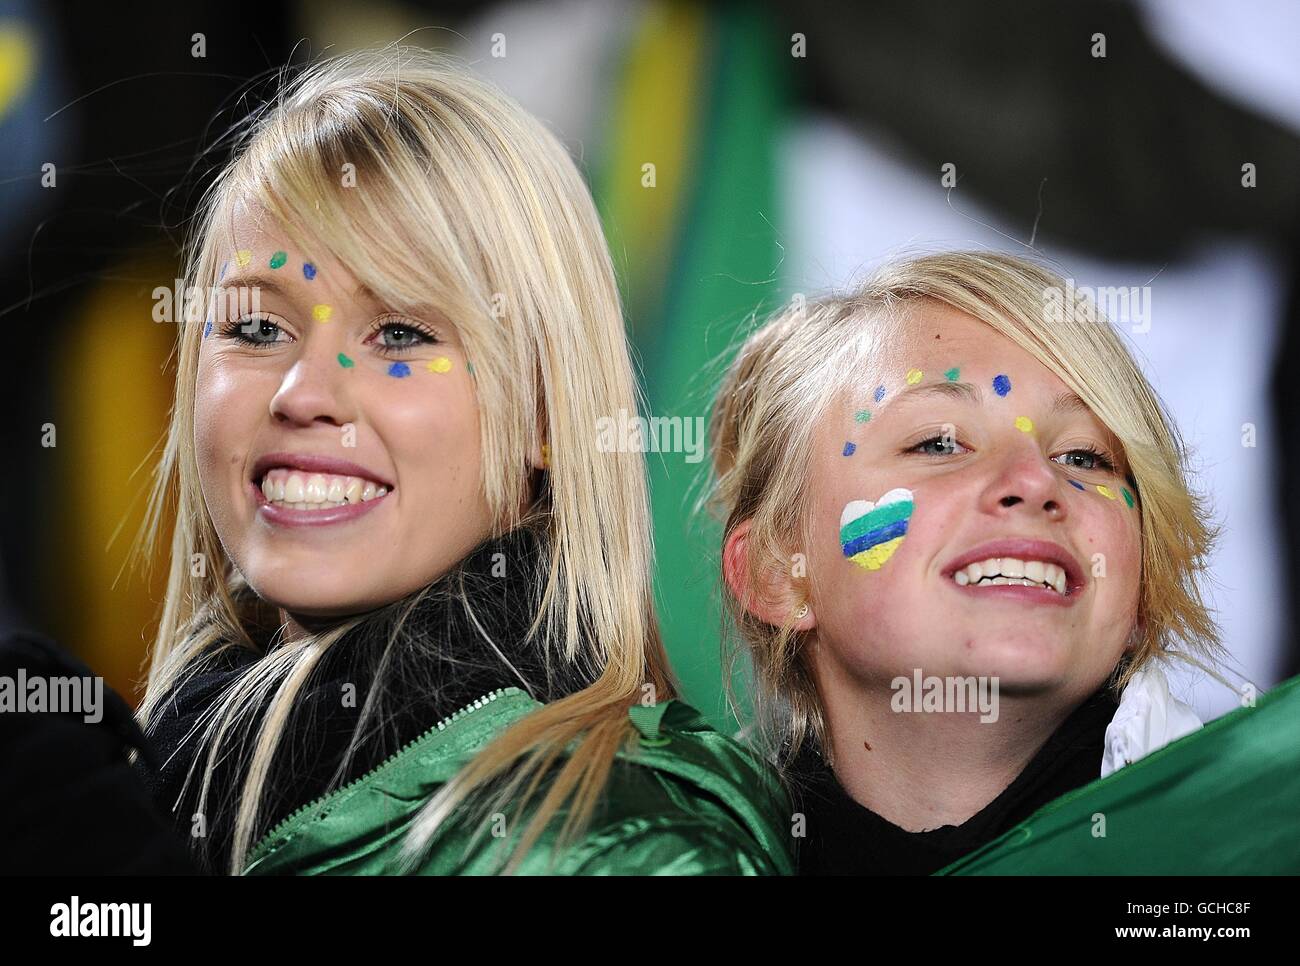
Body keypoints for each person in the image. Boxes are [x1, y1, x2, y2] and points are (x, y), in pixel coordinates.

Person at [133, 45, 792, 876]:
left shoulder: (627, 849)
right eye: (258, 329)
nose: (304, 393)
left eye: (400, 333)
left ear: (547, 416)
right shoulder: (123, 790)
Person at [707, 250, 1226, 874]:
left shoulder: (1253, 850)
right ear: (775, 572)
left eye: (1085, 457)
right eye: (940, 443)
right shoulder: (649, 854)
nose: (1036, 480)